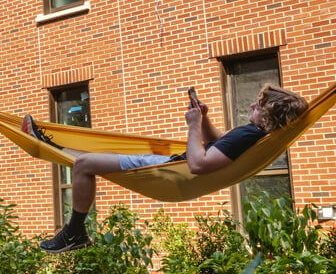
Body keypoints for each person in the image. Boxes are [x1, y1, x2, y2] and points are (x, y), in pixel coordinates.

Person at [29, 84, 308, 253]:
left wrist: (193, 124)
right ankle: (51, 145)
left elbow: (199, 163)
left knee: (85, 164)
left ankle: (74, 232)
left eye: (258, 106)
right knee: (95, 160)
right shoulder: (253, 136)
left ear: (269, 114)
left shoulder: (250, 134)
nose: (251, 105)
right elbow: (219, 144)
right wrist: (205, 119)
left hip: (175, 169)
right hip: (174, 169)